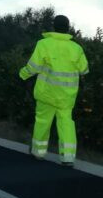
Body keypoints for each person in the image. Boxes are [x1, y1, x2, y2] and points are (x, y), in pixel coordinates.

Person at [18, 14, 89, 166]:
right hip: (66, 97)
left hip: (46, 94)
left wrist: (21, 75)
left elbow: (33, 67)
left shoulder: (43, 44)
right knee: (66, 124)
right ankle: (68, 157)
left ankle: (38, 152)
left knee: (42, 122)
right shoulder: (77, 48)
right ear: (68, 28)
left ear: (54, 27)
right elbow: (84, 70)